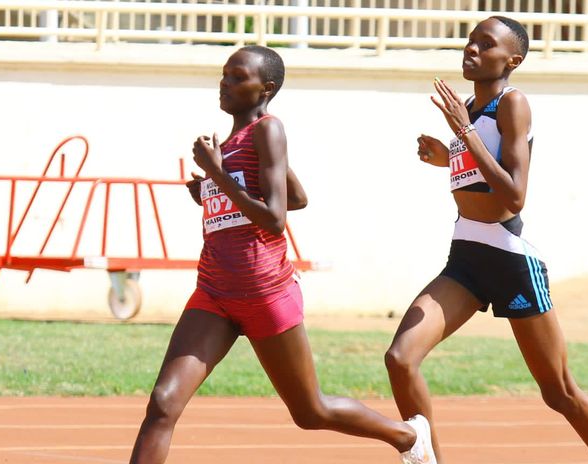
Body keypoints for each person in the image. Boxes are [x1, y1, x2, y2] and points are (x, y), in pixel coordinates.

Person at [130, 45, 436, 464]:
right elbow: (297, 197)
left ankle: (407, 435)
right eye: (224, 74)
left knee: (311, 411)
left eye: (239, 77)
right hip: (214, 293)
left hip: (265, 293)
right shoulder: (235, 141)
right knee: (163, 403)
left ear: (265, 89)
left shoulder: (268, 130)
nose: (226, 82)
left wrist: (217, 174)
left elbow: (275, 218)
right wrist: (209, 190)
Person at [383, 16, 588, 463]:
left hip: (511, 261)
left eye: (486, 44)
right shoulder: (470, 114)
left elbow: (513, 195)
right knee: (400, 358)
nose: (472, 49)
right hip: (466, 260)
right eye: (471, 41)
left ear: (512, 60)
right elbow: (478, 171)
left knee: (559, 392)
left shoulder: (512, 104)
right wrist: (446, 155)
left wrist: (464, 134)